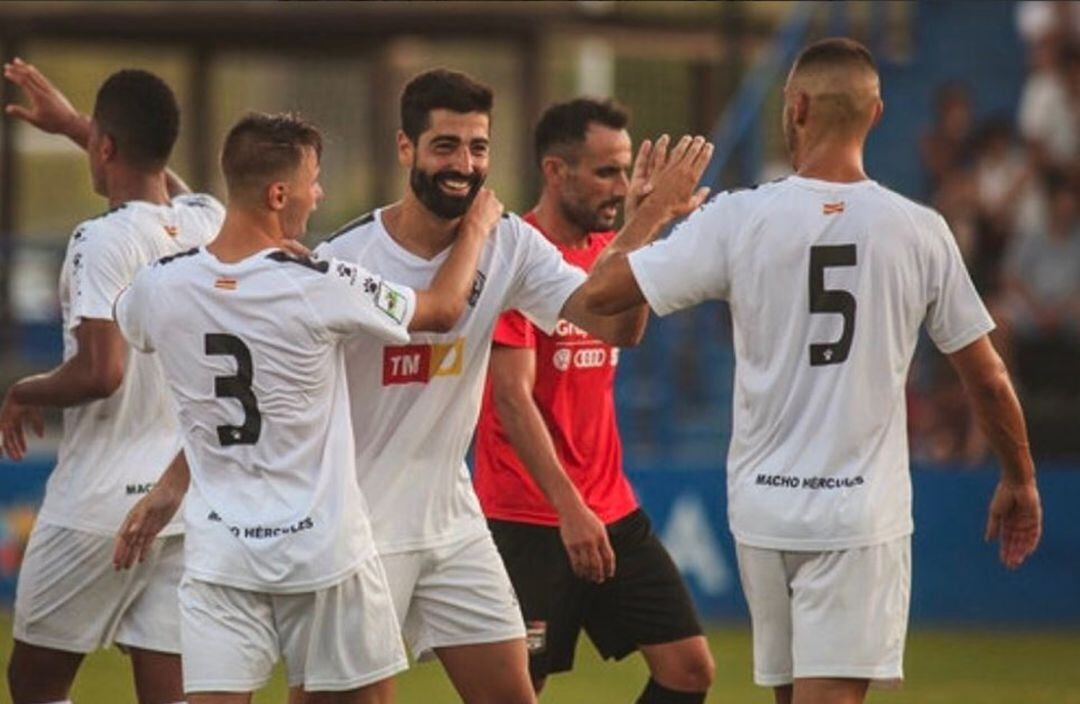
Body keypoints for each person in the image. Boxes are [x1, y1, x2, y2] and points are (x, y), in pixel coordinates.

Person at [580, 38, 1043, 704]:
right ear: (878, 114)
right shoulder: (920, 230)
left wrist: (652, 212)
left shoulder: (737, 218)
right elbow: (989, 378)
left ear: (794, 107)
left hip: (765, 513)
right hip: (858, 518)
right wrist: (1020, 476)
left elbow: (598, 297)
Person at [312, 69, 713, 704]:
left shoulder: (512, 245)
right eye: (445, 146)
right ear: (405, 149)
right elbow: (445, 321)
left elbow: (611, 320)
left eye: (477, 147)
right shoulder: (348, 258)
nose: (464, 165)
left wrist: (647, 219)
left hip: (454, 522)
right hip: (363, 522)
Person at [112, 112, 502, 703]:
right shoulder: (321, 280)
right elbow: (443, 309)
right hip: (325, 558)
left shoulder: (159, 286)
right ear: (278, 194)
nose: (318, 194)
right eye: (313, 180)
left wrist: (170, 485)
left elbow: (140, 320)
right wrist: (476, 229)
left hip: (222, 556)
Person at [473, 98, 714, 703]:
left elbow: (625, 332)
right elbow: (511, 398)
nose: (622, 186)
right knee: (521, 689)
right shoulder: (516, 255)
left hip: (609, 508)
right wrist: (568, 508)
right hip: (529, 515)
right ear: (556, 172)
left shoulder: (607, 252)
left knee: (689, 669)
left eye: (626, 170)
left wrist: (644, 224)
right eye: (606, 171)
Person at [0, 60, 223, 704]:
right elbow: (173, 196)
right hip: (182, 501)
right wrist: (77, 125)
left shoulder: (100, 240)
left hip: (99, 503)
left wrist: (25, 390)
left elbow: (101, 372)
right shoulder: (207, 221)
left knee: (34, 685)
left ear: (106, 148)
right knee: (168, 689)